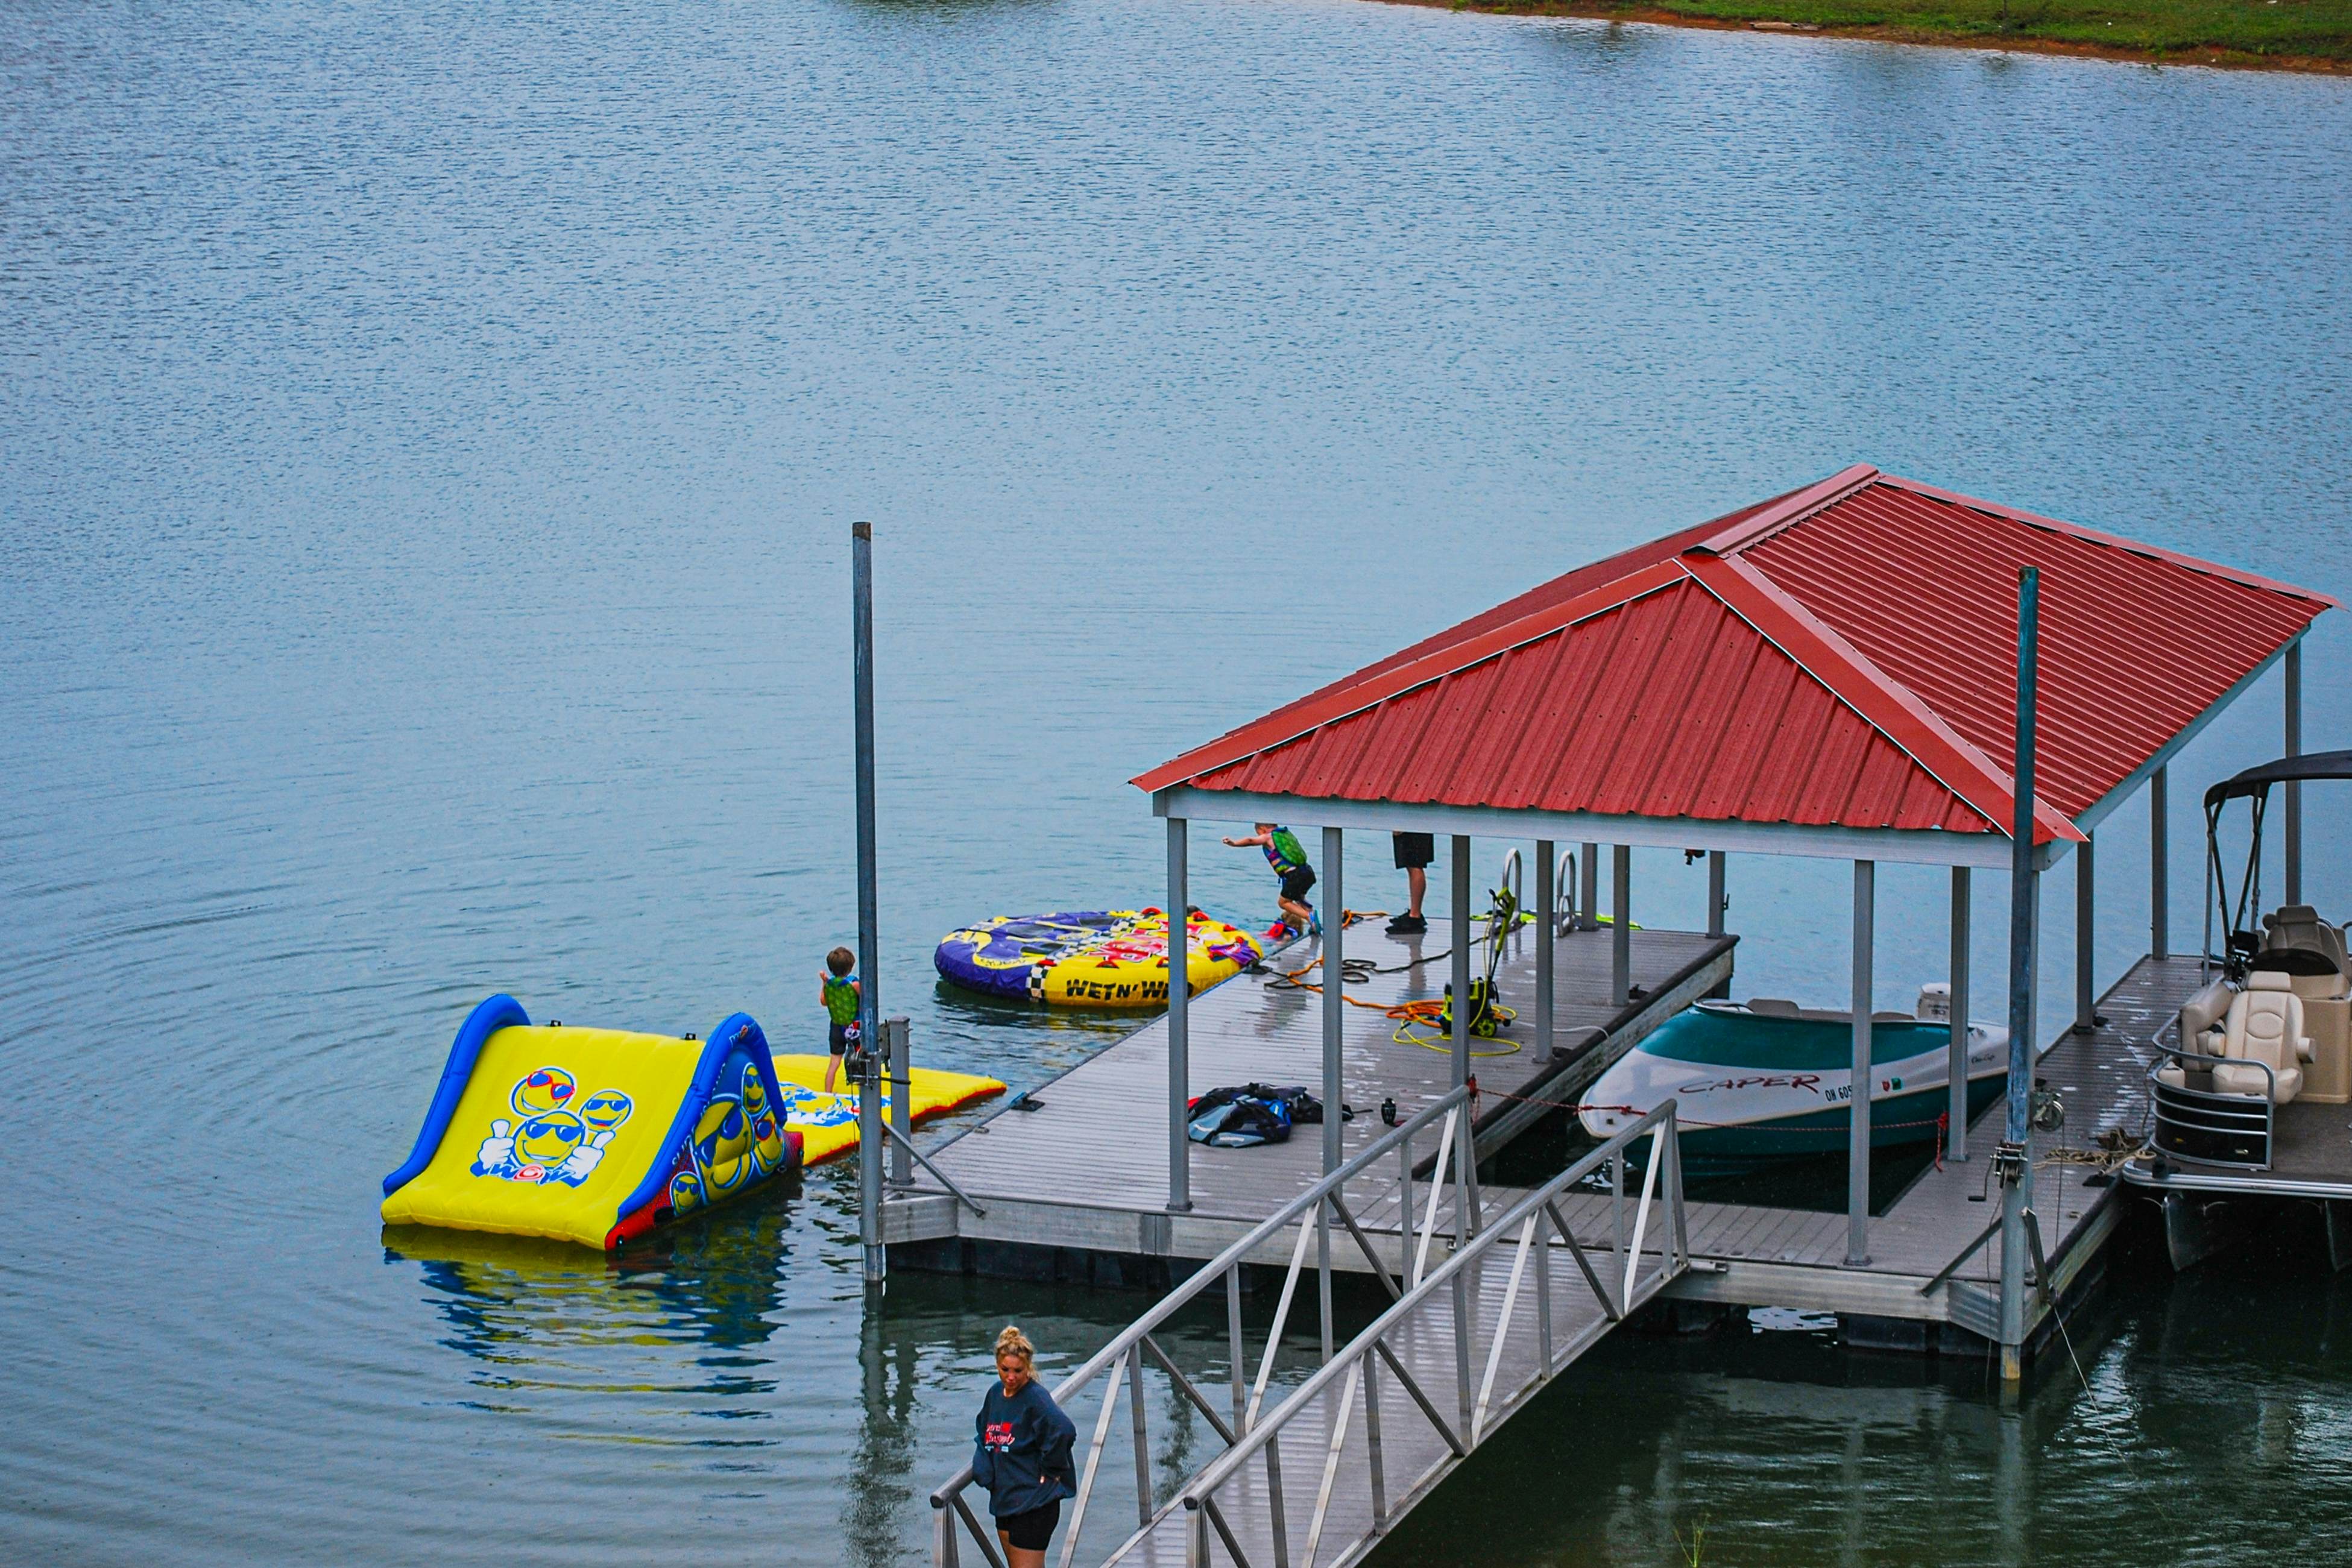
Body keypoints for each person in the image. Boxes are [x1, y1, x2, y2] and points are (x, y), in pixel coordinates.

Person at [973, 1325, 1076, 1568]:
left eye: (1018, 1371)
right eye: (1005, 1369)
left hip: (1034, 1503)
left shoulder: (1035, 1398)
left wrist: (1051, 1468)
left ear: (1028, 1367)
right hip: (1005, 1500)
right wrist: (983, 1468)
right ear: (997, 1365)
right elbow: (983, 1430)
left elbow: (1064, 1430)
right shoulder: (995, 1394)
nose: (1011, 1377)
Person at [1223, 823, 1317, 939]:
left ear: (1262, 829)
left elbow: (1251, 841)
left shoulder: (1268, 837)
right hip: (1308, 872)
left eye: (1258, 833)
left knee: (1283, 903)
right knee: (1299, 899)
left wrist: (1233, 843)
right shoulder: (1285, 834)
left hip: (1295, 876)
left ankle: (1309, 917)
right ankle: (1313, 919)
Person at [820, 945, 860, 1094]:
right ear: (850, 967)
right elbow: (867, 1000)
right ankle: (860, 1091)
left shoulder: (830, 984)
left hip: (836, 1026)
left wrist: (825, 982)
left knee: (834, 1063)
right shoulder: (854, 984)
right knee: (859, 1057)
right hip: (854, 1027)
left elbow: (824, 1002)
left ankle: (827, 1092)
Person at [1387, 833, 1434, 935]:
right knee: (1411, 865)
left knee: (1415, 865)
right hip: (1418, 826)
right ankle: (1414, 913)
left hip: (1415, 827)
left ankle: (1415, 916)